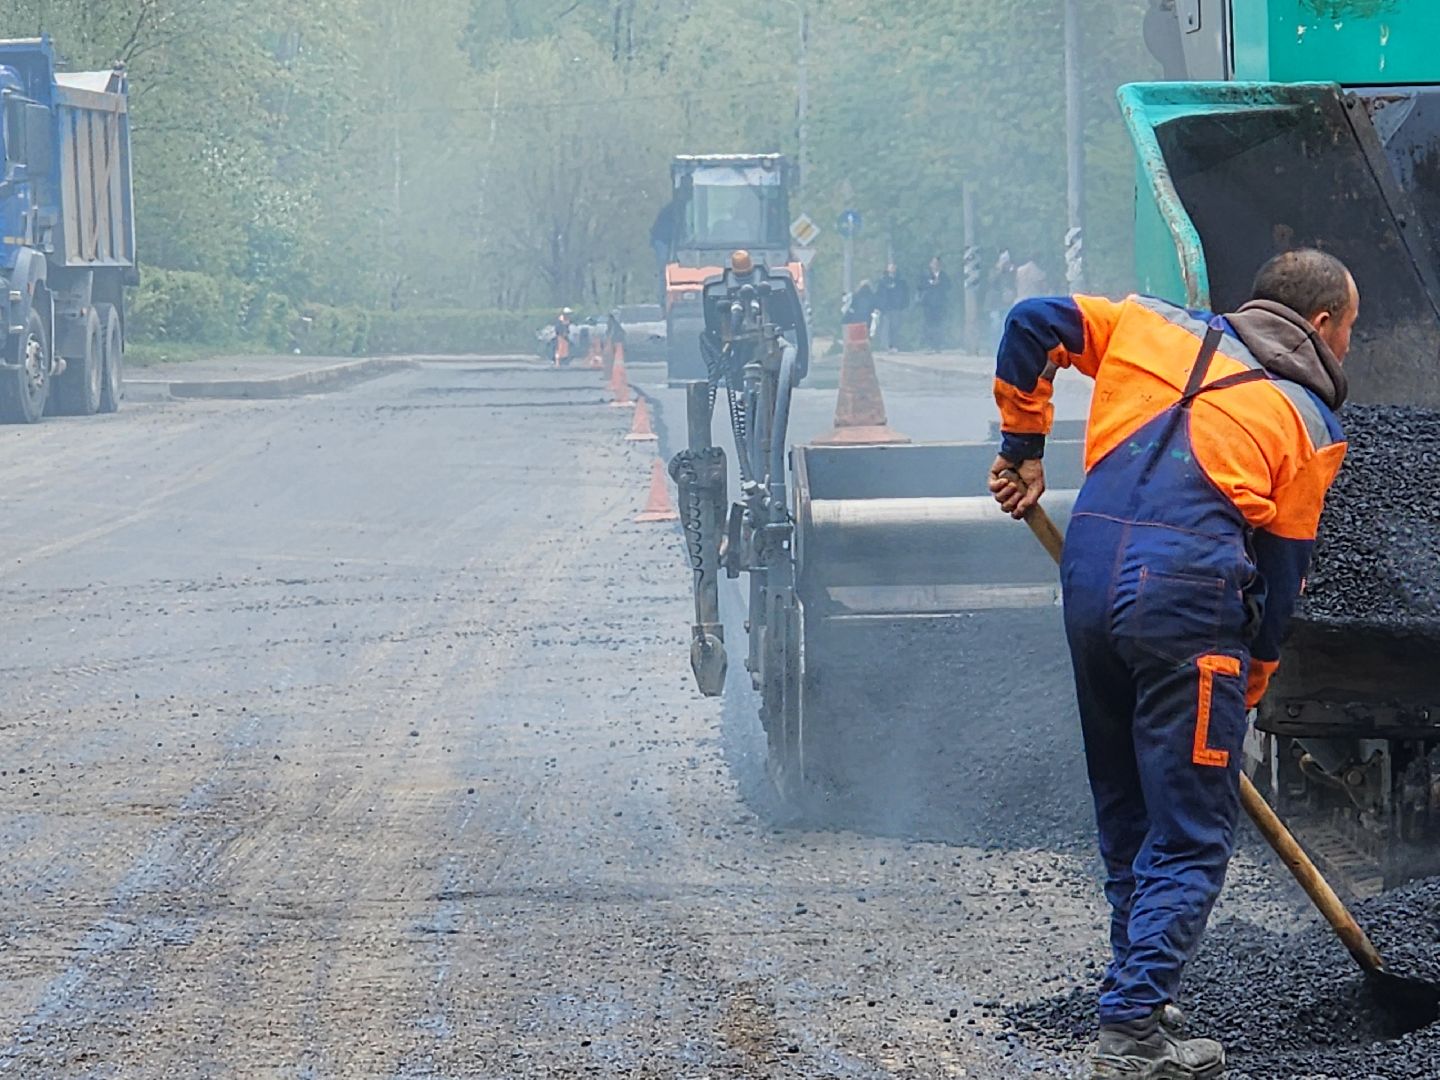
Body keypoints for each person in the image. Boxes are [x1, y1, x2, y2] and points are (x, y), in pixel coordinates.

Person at [988, 249, 1356, 1079]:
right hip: (1187, 603)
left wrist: (1023, 445)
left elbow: (1030, 322)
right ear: (1324, 325)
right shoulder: (1308, 422)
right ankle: (1130, 1034)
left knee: (1127, 807)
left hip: (1088, 578)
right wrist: (1250, 685)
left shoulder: (1146, 322)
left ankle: (1135, 988)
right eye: (1352, 333)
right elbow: (1285, 577)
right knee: (1192, 833)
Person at [917, 255, 951, 351]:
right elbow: (920, 286)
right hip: (928, 303)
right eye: (933, 263)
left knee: (939, 324)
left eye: (937, 263)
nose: (935, 265)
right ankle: (929, 344)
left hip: (940, 303)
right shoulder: (925, 275)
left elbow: (948, 287)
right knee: (928, 324)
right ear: (930, 264)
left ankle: (937, 345)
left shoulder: (944, 276)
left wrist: (939, 284)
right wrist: (930, 284)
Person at [874, 262, 910, 351]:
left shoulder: (901, 281)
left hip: (897, 307)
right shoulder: (882, 281)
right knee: (886, 326)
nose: (893, 269)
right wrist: (879, 306)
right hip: (886, 308)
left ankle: (894, 345)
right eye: (891, 267)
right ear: (887, 269)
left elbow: (905, 294)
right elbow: (879, 294)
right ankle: (886, 346)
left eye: (894, 267)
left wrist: (904, 305)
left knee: (895, 326)